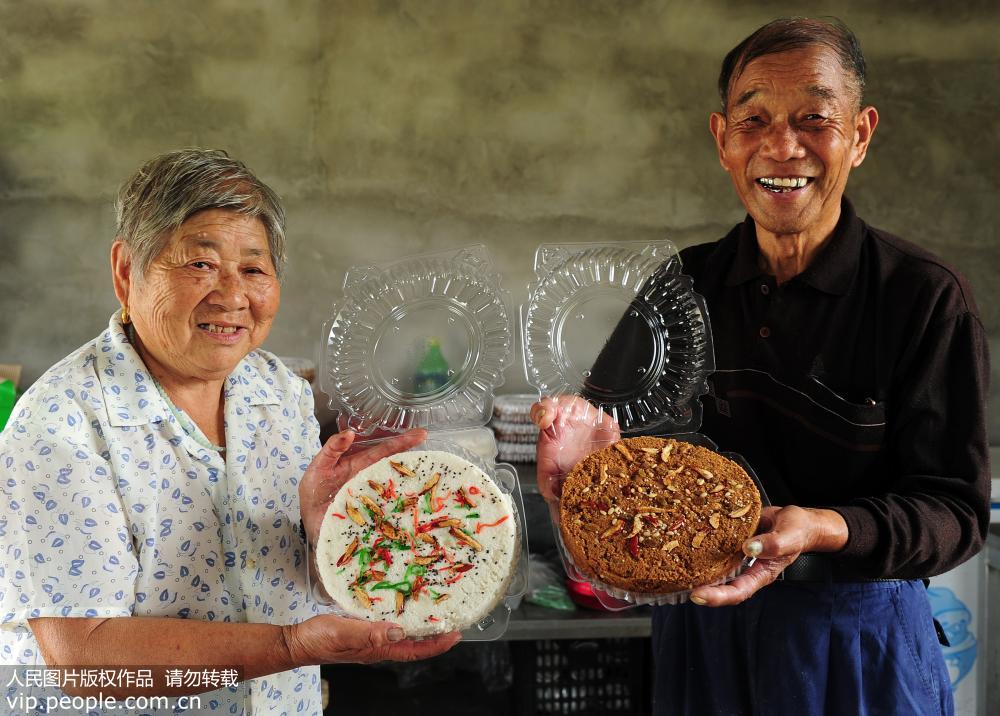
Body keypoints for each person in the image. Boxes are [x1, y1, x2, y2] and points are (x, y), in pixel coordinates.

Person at [532, 17, 989, 716]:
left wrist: (821, 527)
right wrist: (577, 469)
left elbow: (955, 513)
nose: (783, 146)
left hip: (857, 643)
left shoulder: (921, 297)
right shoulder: (681, 285)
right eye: (755, 120)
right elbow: (610, 474)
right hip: (703, 637)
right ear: (722, 139)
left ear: (860, 135)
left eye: (815, 118)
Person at [0, 149, 460, 714]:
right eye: (200, 264)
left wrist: (327, 535)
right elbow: (83, 658)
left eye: (253, 268)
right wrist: (290, 646)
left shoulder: (279, 393)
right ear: (126, 272)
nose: (232, 295)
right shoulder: (61, 423)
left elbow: (293, 578)